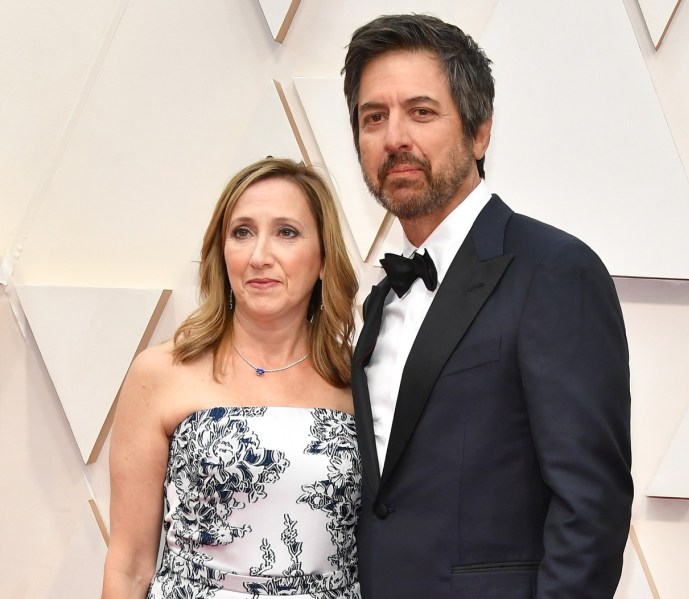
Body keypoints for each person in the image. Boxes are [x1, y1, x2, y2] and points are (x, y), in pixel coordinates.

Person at [343, 14, 633, 598]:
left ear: (479, 132)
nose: (394, 136)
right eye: (374, 117)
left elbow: (591, 506)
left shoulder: (553, 270)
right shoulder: (378, 301)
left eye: (421, 112)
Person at [101, 157, 361, 598]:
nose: (260, 256)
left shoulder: (360, 381)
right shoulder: (160, 374)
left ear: (322, 257)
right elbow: (128, 566)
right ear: (221, 255)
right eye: (242, 232)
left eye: (286, 232)